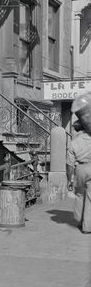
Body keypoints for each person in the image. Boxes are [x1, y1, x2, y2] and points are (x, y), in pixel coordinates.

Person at [68, 93, 91, 233]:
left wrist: (69, 178)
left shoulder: (74, 142)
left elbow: (69, 163)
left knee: (79, 195)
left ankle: (79, 220)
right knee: (90, 198)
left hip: (80, 168)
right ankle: (87, 227)